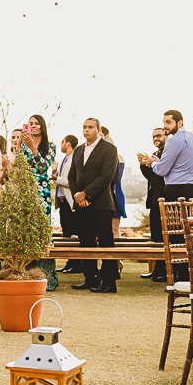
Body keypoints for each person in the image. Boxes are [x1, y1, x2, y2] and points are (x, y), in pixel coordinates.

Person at [68, 118, 120, 293]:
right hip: (81, 205)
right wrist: (77, 195)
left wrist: (87, 193)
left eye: (90, 127)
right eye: (84, 127)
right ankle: (90, 279)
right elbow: (72, 176)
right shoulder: (78, 150)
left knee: (106, 243)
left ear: (98, 130)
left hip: (101, 204)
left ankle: (109, 282)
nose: (86, 130)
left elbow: (107, 177)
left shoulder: (109, 149)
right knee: (86, 243)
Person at [19, 114, 58, 291]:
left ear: (42, 126)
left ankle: (46, 276)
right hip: (26, 189)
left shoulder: (51, 146)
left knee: (41, 230)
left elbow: (43, 167)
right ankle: (26, 272)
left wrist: (33, 148)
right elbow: (20, 165)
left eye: (36, 124)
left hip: (42, 191)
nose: (33, 126)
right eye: (31, 123)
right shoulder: (23, 146)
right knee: (26, 229)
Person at [138, 110, 193, 203]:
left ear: (179, 123)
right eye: (164, 122)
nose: (165, 126)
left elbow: (161, 170)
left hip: (177, 191)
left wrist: (152, 163)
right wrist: (158, 161)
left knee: (177, 218)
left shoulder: (173, 141)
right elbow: (183, 163)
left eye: (168, 122)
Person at [139, 127, 167, 280]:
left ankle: (165, 271)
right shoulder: (155, 154)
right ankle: (157, 269)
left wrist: (155, 163)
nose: (156, 138)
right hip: (154, 200)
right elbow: (152, 177)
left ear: (165, 136)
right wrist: (144, 165)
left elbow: (163, 175)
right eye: (154, 136)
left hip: (165, 199)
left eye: (158, 135)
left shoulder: (167, 153)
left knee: (164, 238)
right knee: (156, 237)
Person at [55, 135, 78, 274]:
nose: (61, 144)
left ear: (68, 144)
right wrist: (54, 172)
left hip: (70, 202)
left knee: (73, 234)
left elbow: (71, 181)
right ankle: (70, 262)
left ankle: (76, 263)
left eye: (62, 141)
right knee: (67, 234)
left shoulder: (74, 159)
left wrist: (56, 179)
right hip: (62, 203)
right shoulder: (64, 159)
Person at [101, 127, 125, 240]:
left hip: (114, 194)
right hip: (99, 196)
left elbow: (114, 178)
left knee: (114, 230)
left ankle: (118, 257)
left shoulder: (118, 157)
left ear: (106, 136)